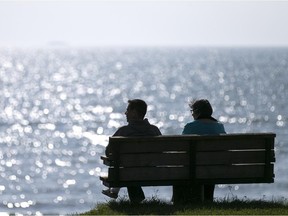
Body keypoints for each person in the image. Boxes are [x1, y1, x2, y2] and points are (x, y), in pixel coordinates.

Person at [102, 99, 162, 203]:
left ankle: (136, 199)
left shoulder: (123, 131)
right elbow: (162, 151)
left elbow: (108, 152)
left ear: (134, 113)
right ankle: (137, 200)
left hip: (128, 173)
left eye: (128, 110)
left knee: (129, 168)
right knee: (132, 166)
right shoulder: (154, 130)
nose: (125, 113)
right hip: (153, 172)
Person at [173, 99, 226, 203]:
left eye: (192, 111)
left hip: (193, 168)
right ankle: (207, 199)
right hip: (215, 168)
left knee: (188, 165)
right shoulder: (219, 126)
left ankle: (182, 200)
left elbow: (181, 150)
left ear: (197, 112)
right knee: (210, 162)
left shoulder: (190, 127)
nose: (192, 114)